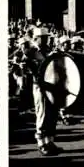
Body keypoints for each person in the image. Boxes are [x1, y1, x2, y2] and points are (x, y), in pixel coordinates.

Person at [28, 27, 64, 156]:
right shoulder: (31, 52)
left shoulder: (49, 50)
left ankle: (50, 142)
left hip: (52, 86)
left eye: (46, 38)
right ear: (36, 39)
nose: (45, 40)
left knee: (52, 114)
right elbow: (34, 69)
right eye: (42, 38)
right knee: (42, 114)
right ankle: (41, 143)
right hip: (40, 87)